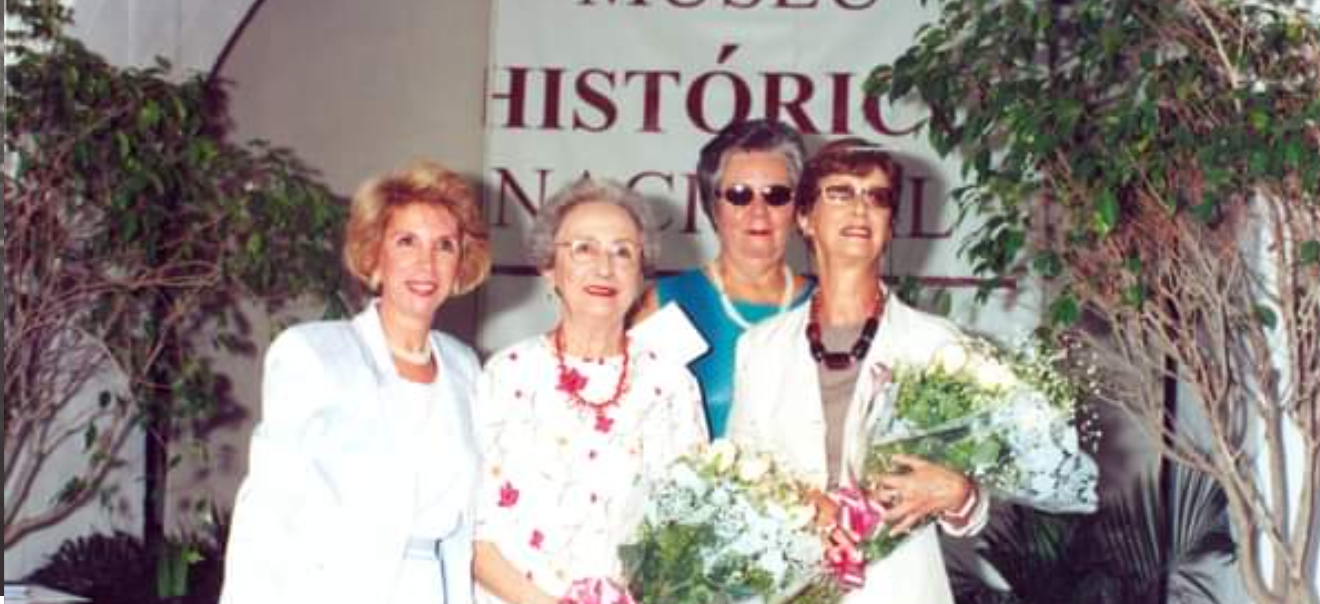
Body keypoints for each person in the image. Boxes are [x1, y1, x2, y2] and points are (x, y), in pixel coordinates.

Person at [727, 140, 989, 604]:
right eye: (840, 193)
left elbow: (981, 496)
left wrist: (960, 494)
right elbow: (739, 480)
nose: (860, 208)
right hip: (788, 586)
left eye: (877, 197)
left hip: (901, 588)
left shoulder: (937, 344)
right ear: (805, 218)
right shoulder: (760, 349)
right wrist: (798, 505)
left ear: (890, 226)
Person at [220, 160, 491, 604]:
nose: (426, 263)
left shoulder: (466, 368)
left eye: (444, 245)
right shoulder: (315, 353)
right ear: (374, 255)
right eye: (407, 241)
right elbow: (268, 508)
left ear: (460, 263)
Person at [473, 178, 708, 604]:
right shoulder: (506, 375)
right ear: (549, 267)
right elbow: (474, 535)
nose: (605, 267)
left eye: (623, 251)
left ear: (641, 274)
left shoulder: (672, 384)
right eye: (584, 248)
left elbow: (691, 533)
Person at [636, 119, 815, 438]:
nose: (758, 211)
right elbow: (632, 425)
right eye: (739, 195)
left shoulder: (826, 307)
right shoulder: (670, 304)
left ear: (798, 208)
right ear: (713, 206)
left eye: (776, 195)